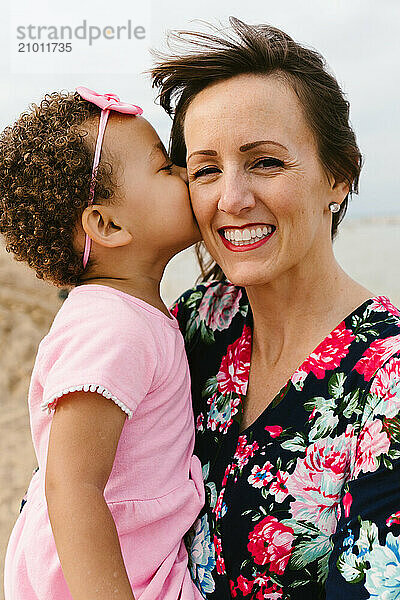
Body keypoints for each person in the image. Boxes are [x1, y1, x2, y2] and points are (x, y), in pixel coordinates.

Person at [151, 17, 400, 600]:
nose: (231, 200)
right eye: (206, 169)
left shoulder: (386, 383)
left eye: (265, 161)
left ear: (338, 177)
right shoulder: (197, 326)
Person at [1, 87, 204, 600]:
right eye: (165, 168)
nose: (186, 175)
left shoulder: (128, 314)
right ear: (108, 225)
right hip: (108, 578)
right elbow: (72, 486)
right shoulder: (113, 327)